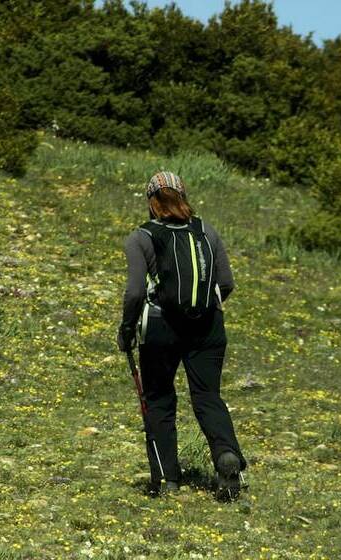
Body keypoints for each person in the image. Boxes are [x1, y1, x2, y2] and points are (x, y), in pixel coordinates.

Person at [117, 171, 246, 498]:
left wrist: (127, 328)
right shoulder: (207, 232)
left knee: (159, 399)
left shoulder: (141, 237)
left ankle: (167, 479)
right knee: (207, 396)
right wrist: (203, 312)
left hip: (161, 327)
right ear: (184, 198)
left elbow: (134, 293)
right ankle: (225, 455)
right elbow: (226, 283)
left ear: (151, 201)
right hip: (208, 325)